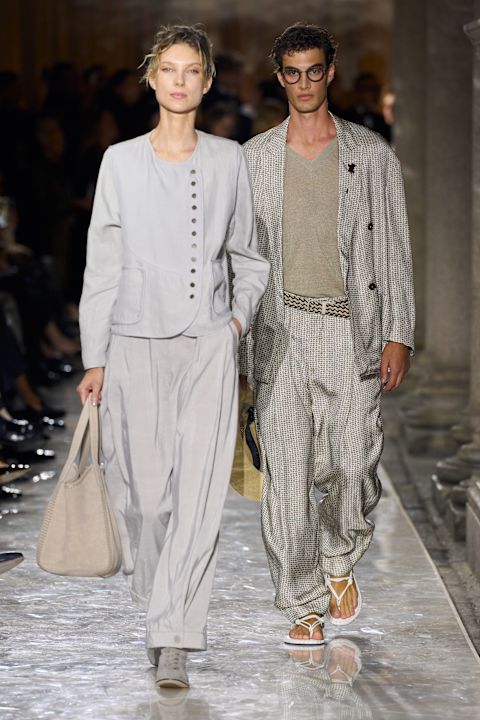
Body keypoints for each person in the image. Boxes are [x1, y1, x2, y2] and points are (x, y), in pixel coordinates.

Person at [76, 25, 269, 688]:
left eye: (192, 70)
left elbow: (249, 256)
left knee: (199, 498)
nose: (180, 81)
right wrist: (94, 356)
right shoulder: (120, 162)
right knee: (147, 503)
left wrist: (235, 324)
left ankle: (175, 636)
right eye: (169, 70)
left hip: (208, 344)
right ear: (152, 79)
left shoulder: (228, 159)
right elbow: (102, 265)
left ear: (207, 82)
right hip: (133, 342)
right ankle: (161, 603)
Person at [240, 24, 414, 645]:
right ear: (279, 77)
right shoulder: (254, 159)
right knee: (286, 474)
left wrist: (399, 332)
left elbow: (393, 245)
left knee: (352, 463)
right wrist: (234, 343)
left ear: (330, 72)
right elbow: (241, 257)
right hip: (280, 328)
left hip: (349, 327)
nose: (304, 83)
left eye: (314, 71)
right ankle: (303, 603)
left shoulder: (371, 154)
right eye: (293, 73)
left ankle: (340, 556)